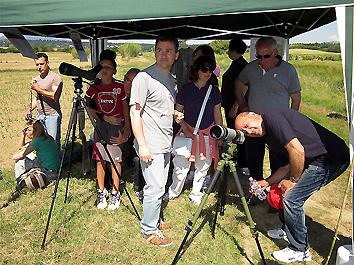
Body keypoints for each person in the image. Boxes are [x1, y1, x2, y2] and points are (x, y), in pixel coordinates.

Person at [235, 109, 349, 263]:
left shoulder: (272, 117)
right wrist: (267, 182)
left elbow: (297, 150)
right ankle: (287, 230)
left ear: (254, 115)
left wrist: (293, 181)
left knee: (292, 198)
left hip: (331, 158)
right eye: (245, 131)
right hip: (318, 158)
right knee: (284, 192)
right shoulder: (269, 134)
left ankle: (300, 249)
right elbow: (287, 166)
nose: (250, 131)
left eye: (248, 125)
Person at [130, 35, 183, 246]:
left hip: (165, 142)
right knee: (156, 187)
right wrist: (142, 144)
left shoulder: (171, 79)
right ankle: (148, 230)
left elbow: (160, 107)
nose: (164, 54)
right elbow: (135, 113)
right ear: (154, 52)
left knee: (160, 184)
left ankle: (155, 219)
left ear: (176, 55)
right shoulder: (143, 78)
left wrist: (174, 115)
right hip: (150, 143)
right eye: (159, 50)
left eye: (168, 51)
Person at [235, 37, 301, 181]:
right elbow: (239, 84)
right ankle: (255, 188)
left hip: (278, 126)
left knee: (279, 161)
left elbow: (296, 98)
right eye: (259, 56)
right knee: (253, 159)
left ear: (275, 52)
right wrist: (243, 106)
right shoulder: (251, 68)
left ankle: (274, 193)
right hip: (254, 125)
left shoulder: (288, 70)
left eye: (266, 56)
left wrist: (291, 121)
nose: (261, 60)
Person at [168, 56, 222, 205]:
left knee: (203, 165)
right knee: (180, 164)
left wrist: (220, 134)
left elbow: (217, 114)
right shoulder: (185, 89)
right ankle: (174, 191)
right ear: (196, 71)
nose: (207, 73)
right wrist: (184, 127)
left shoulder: (214, 91)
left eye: (210, 70)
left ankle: (196, 192)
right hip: (187, 132)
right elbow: (177, 112)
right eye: (204, 69)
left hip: (207, 133)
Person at [85, 57, 130, 210]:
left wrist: (127, 127)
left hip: (116, 127)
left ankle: (115, 193)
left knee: (115, 161)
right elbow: (89, 106)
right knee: (100, 160)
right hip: (101, 127)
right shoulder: (93, 88)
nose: (104, 70)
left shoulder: (119, 87)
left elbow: (125, 108)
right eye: (101, 67)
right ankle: (101, 191)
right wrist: (104, 117)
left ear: (114, 71)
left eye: (108, 67)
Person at [221, 37, 249, 174]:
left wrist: (235, 106)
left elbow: (243, 89)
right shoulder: (238, 63)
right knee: (235, 133)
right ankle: (239, 158)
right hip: (230, 105)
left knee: (239, 134)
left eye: (229, 49)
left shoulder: (241, 66)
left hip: (235, 107)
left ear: (233, 50)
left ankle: (244, 163)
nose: (227, 52)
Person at [27, 53, 63, 148]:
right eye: (37, 64)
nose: (39, 67)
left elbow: (55, 96)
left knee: (53, 143)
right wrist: (30, 108)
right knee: (41, 142)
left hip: (52, 116)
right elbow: (37, 98)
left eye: (41, 64)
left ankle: (57, 162)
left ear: (47, 63)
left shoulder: (55, 78)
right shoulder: (37, 79)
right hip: (40, 116)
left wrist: (38, 89)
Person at [13, 120, 60, 187]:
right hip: (56, 170)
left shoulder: (36, 142)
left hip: (47, 172)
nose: (26, 132)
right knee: (31, 155)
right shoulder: (47, 137)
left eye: (29, 130)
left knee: (19, 161)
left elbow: (18, 156)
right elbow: (21, 147)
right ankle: (24, 179)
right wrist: (23, 136)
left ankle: (20, 182)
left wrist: (17, 154)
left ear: (35, 131)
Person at [122, 68, 145, 202]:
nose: (128, 85)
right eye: (127, 80)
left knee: (137, 159)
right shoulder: (118, 93)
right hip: (121, 134)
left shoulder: (143, 98)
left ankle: (138, 186)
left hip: (137, 136)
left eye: (134, 82)